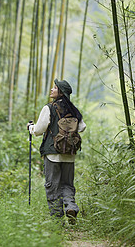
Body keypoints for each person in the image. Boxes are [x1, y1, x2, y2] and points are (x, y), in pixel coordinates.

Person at [27, 79, 86, 224]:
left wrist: (31, 128)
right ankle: (71, 206)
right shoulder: (73, 110)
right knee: (67, 184)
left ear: (60, 92)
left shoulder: (49, 108)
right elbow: (82, 127)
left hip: (52, 153)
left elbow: (39, 130)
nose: (52, 90)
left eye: (55, 88)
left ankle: (57, 220)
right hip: (69, 155)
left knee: (52, 186)